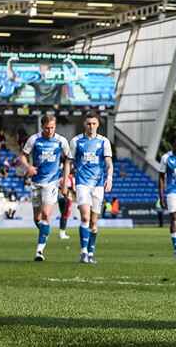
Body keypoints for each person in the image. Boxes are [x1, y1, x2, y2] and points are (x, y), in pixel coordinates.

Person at [19, 114, 71, 261]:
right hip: (36, 182)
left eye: (52, 128)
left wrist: (65, 177)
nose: (50, 131)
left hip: (51, 183)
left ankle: (39, 251)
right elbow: (23, 156)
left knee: (46, 214)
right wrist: (28, 167)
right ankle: (45, 231)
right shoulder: (34, 139)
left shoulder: (61, 141)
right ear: (42, 127)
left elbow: (70, 159)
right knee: (37, 218)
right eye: (47, 128)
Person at [66, 111, 113, 263]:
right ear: (84, 125)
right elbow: (68, 162)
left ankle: (91, 252)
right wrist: (66, 181)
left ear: (98, 124)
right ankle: (84, 252)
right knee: (85, 216)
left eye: (94, 124)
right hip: (82, 183)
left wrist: (109, 178)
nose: (91, 126)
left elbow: (108, 162)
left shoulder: (104, 141)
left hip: (98, 185)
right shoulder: (76, 141)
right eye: (88, 124)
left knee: (93, 222)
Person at [57, 171, 74, 240]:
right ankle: (62, 232)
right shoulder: (72, 178)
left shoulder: (61, 178)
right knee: (65, 215)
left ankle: (61, 231)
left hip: (60, 197)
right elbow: (74, 188)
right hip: (67, 198)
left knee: (63, 215)